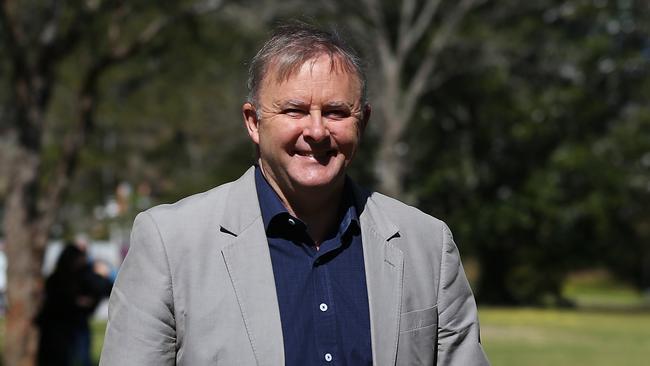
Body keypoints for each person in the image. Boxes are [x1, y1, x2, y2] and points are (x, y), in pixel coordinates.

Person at [100, 23, 489, 366]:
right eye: (294, 110)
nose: (317, 131)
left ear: (363, 122)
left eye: (336, 111)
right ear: (254, 122)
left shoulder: (427, 245)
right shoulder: (171, 244)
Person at [37, 243, 113, 366]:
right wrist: (76, 301)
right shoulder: (58, 279)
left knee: (81, 357)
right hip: (60, 327)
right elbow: (57, 301)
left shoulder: (85, 274)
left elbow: (104, 288)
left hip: (76, 324)